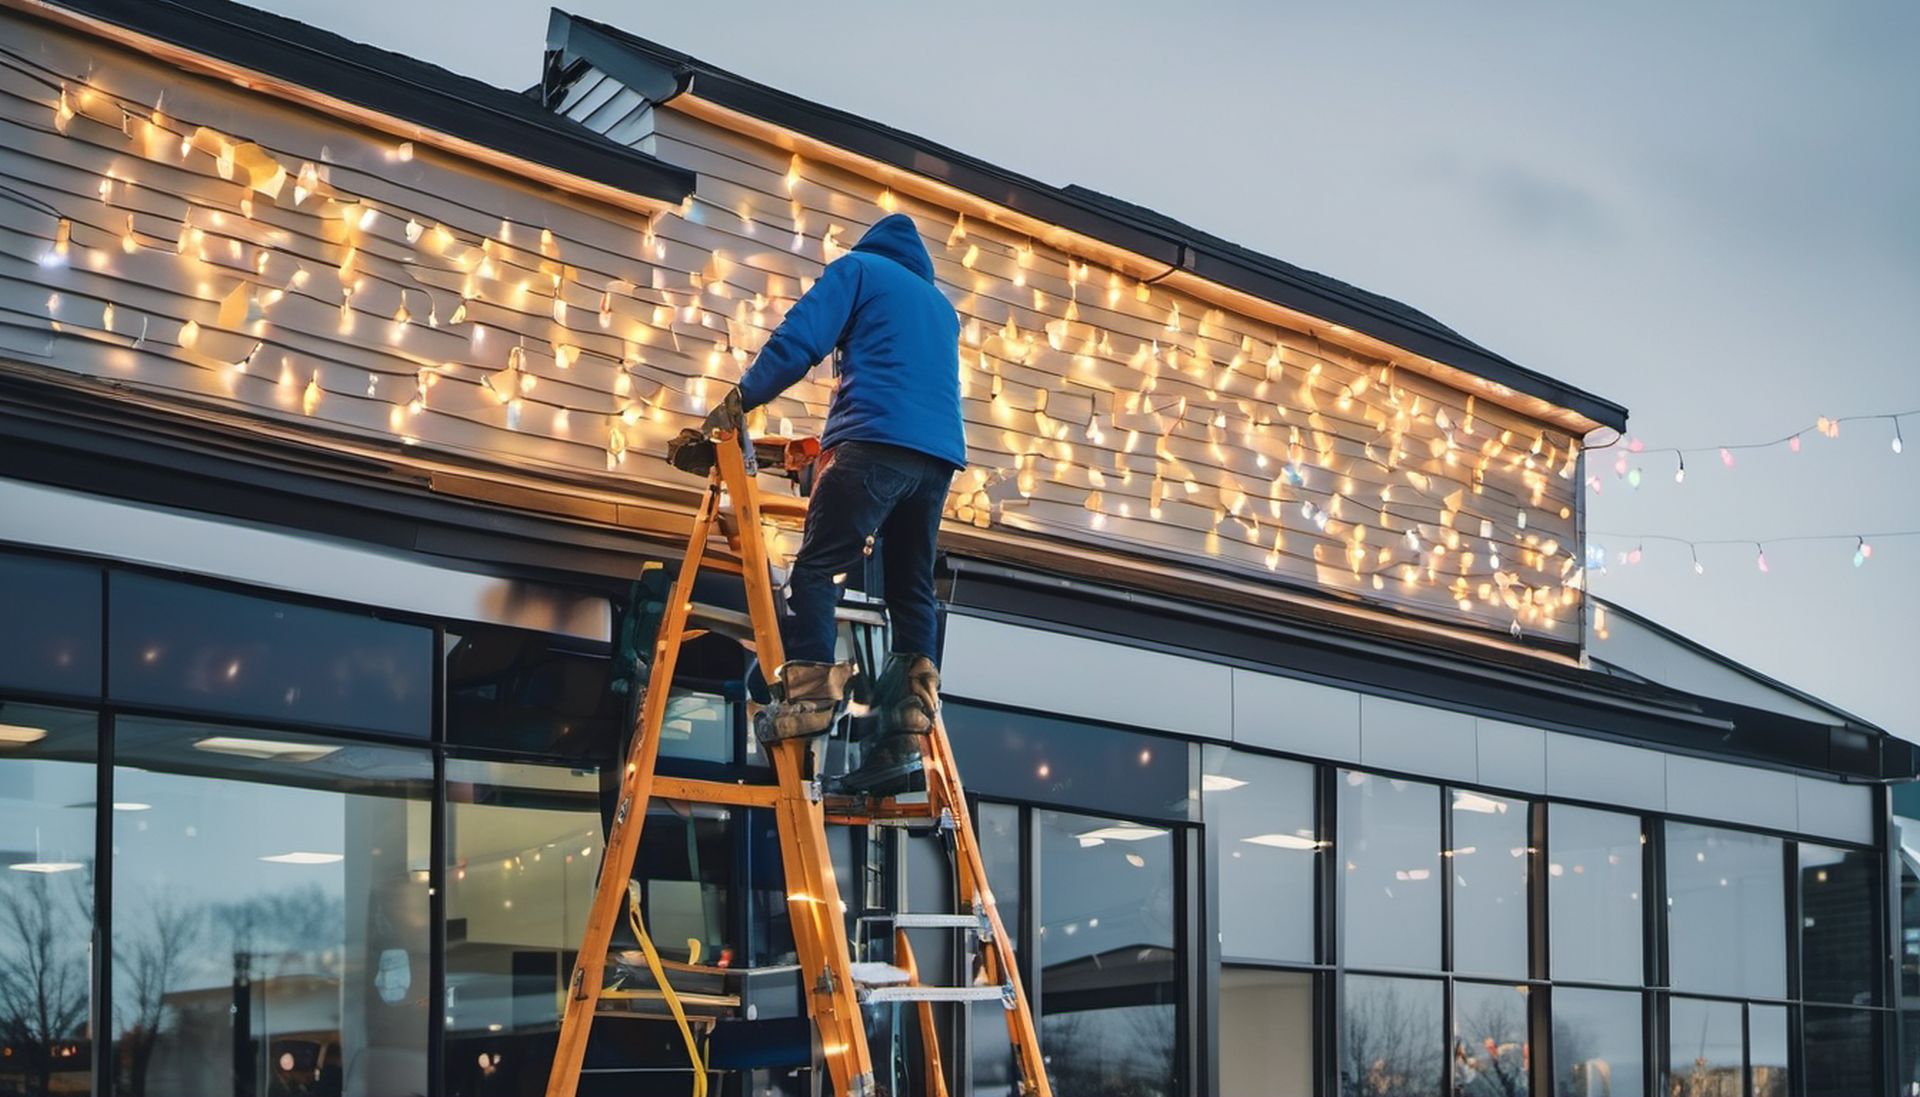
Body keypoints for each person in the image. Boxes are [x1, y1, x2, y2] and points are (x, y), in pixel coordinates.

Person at [702, 213, 965, 795]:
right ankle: (903, 734)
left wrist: (742, 399)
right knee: (909, 587)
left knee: (817, 569)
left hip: (872, 440)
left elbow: (801, 340)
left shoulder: (858, 270)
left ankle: (810, 700)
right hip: (937, 460)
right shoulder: (941, 308)